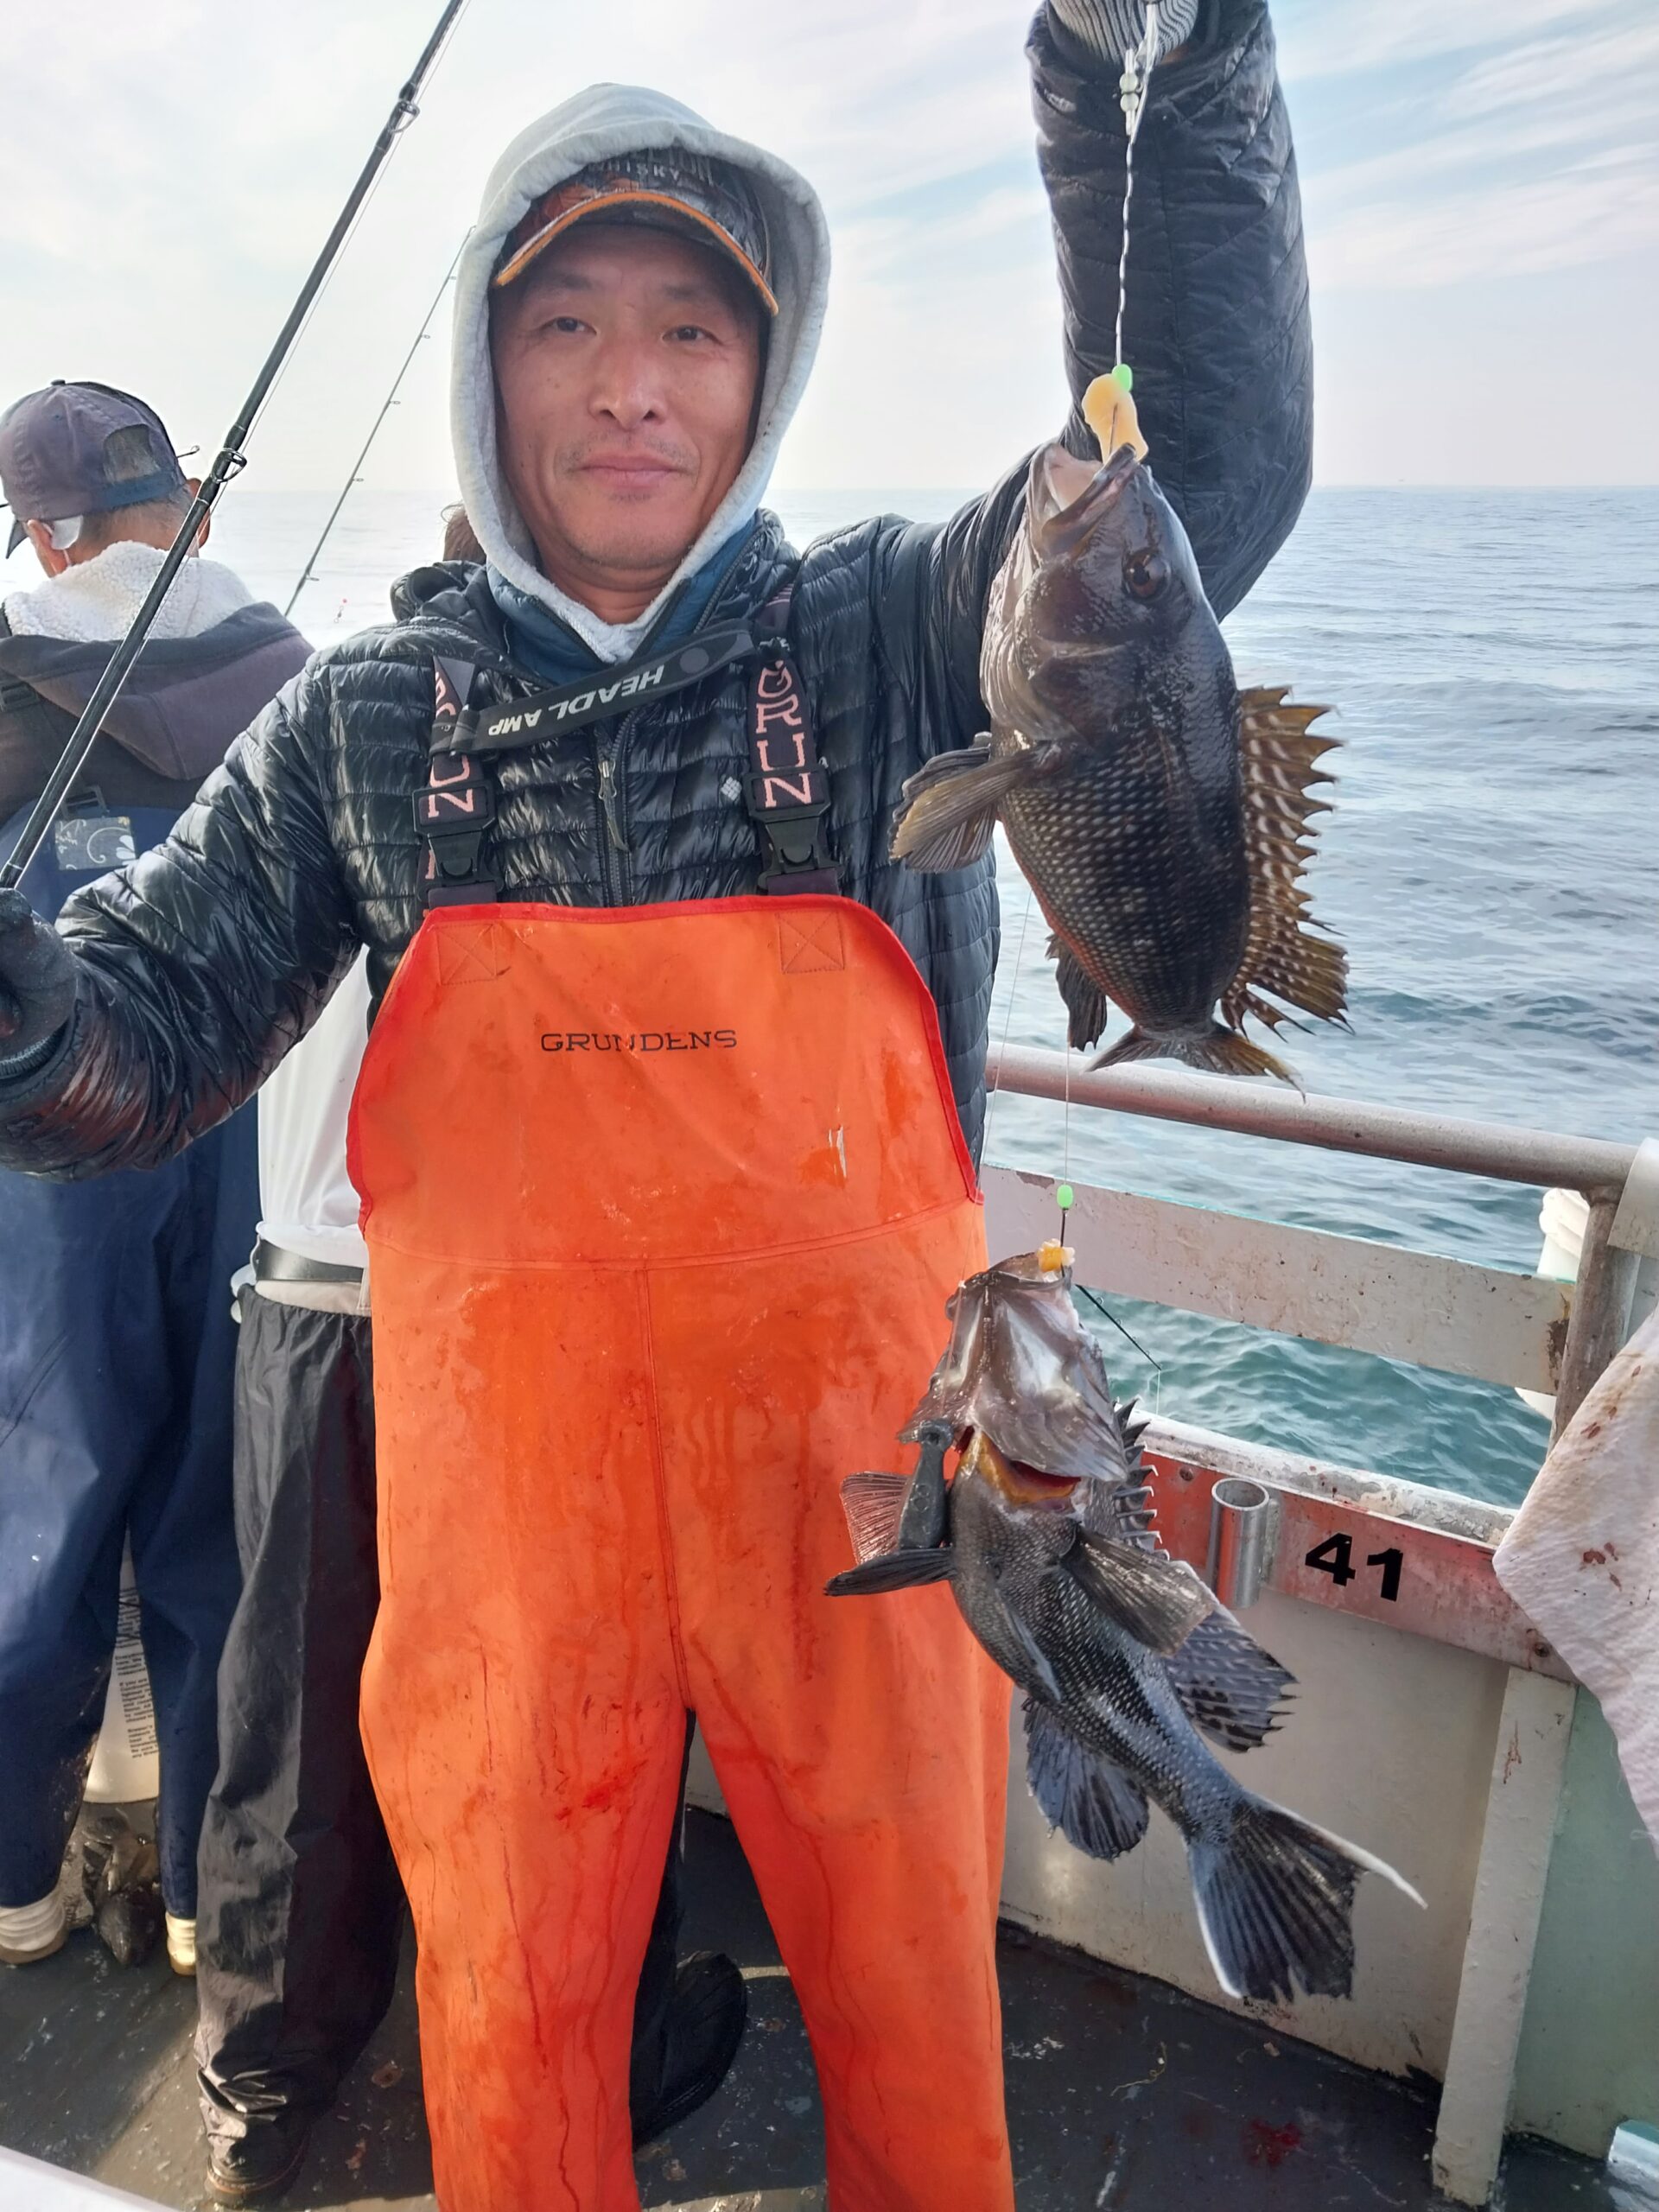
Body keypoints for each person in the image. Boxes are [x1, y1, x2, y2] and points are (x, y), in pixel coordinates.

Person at [0, 5, 1312, 2207]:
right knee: (509, 2030)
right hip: (510, 1544)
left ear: (764, 369)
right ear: (485, 367)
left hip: (880, 1510)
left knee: (912, 2012)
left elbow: (1201, 462)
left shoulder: (901, 624)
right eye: (571, 325)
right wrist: (33, 1019)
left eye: (692, 329)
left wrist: (1137, 75)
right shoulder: (364, 717)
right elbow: (142, 1040)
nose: (632, 385)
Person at [193, 510, 747, 2209]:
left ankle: (266, 2079)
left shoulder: (309, 749)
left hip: (313, 1305)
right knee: (593, 1725)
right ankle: (604, 2055)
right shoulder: (606, 793)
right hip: (528, 1340)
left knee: (297, 1717)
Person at [0, 381, 308, 1974]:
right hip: (249, 1141)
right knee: (222, 1531)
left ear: (44, 535)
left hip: (61, 1167)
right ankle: (202, 1896)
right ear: (184, 508)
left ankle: (18, 1885)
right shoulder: (298, 677)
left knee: (38, 1515)